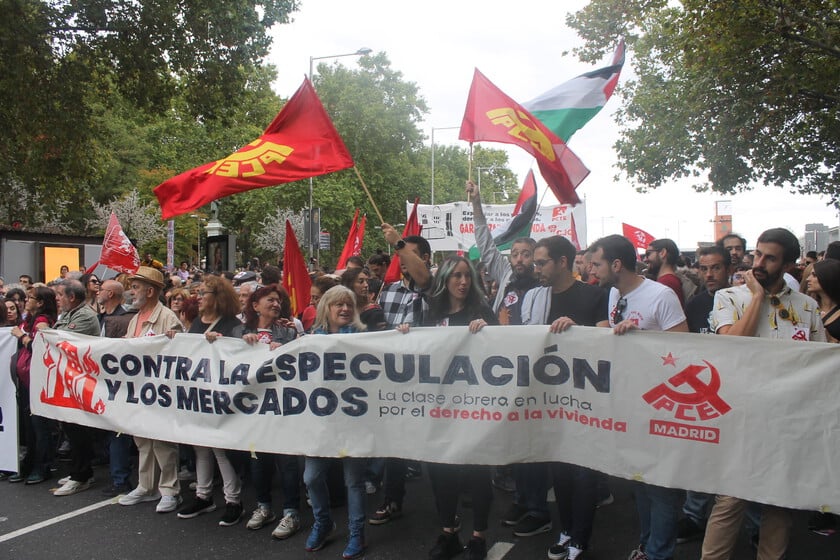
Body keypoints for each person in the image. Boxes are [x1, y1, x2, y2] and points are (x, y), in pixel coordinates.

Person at [700, 228, 825, 560]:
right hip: (741, 417)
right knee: (730, 500)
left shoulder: (808, 307)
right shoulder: (730, 297)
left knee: (780, 506)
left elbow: (819, 364)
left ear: (788, 263)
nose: (759, 263)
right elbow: (731, 345)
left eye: (770, 258)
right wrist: (757, 297)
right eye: (757, 254)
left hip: (788, 421)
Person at [588, 235, 688, 560]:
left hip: (660, 407)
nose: (591, 269)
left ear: (616, 265)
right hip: (630, 405)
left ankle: (659, 553)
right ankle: (647, 547)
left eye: (597, 263)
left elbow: (685, 351)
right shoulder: (614, 293)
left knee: (662, 489)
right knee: (640, 482)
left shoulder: (662, 296)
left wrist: (641, 340)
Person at [397, 256, 497, 560]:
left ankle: (479, 537)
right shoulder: (433, 313)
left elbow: (505, 354)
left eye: (467, 276)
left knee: (477, 472)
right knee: (440, 473)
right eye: (456, 276)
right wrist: (406, 335)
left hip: (475, 409)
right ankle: (448, 533)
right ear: (445, 281)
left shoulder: (482, 312)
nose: (463, 282)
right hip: (440, 410)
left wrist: (490, 333)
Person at [517, 236, 608, 560]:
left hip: (584, 401)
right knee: (561, 472)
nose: (535, 267)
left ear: (563, 262)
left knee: (584, 473)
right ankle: (566, 530)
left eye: (542, 262)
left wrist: (578, 331)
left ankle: (581, 540)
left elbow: (604, 342)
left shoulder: (595, 295)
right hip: (550, 400)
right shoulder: (535, 299)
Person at [369, 226, 433, 527]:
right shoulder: (389, 290)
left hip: (428, 379)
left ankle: (448, 500)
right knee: (393, 441)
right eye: (401, 255)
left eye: (410, 254)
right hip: (394, 378)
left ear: (425, 259)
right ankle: (392, 499)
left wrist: (398, 242)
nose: (403, 260)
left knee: (434, 439)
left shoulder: (435, 290)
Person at [303, 285, 368, 559]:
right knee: (311, 477)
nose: (344, 309)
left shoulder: (365, 338)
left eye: (349, 304)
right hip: (322, 422)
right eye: (338, 304)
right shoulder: (309, 339)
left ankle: (357, 533)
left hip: (354, 421)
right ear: (326, 308)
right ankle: (323, 522)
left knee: (353, 481)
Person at [234, 284, 302, 540]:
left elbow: (301, 361)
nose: (276, 304)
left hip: (282, 407)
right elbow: (222, 358)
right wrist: (239, 344)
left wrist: (283, 350)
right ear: (255, 305)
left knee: (287, 462)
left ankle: (291, 512)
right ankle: (264, 507)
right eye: (270, 300)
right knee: (259, 463)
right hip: (252, 411)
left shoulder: (289, 331)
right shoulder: (238, 331)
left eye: (279, 300)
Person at [176, 275, 245, 526]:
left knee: (220, 448)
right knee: (200, 446)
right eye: (199, 292)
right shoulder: (196, 323)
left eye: (204, 293)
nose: (199, 298)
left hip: (220, 396)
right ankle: (203, 496)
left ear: (218, 298)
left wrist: (222, 343)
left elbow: (240, 355)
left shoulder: (231, 325)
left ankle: (233, 500)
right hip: (198, 394)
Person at [117, 267, 184, 512]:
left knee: (162, 441)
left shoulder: (167, 317)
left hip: (160, 391)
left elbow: (178, 351)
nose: (131, 291)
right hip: (140, 389)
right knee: (142, 439)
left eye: (135, 287)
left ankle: (170, 490)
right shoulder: (136, 318)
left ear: (150, 290)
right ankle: (146, 486)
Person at [52, 279, 102, 496]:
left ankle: (82, 475)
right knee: (69, 427)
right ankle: (77, 470)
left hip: (80, 381)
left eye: (60, 295)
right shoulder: (69, 314)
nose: (57, 299)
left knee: (78, 429)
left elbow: (63, 339)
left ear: (72, 297)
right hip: (67, 379)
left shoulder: (85, 315)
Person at [9, 287, 58, 484]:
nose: (26, 300)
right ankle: (28, 464)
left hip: (38, 380)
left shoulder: (42, 321)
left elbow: (40, 346)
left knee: (40, 427)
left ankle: (42, 467)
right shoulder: (28, 319)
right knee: (29, 427)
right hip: (25, 381)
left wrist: (21, 336)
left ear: (40, 303)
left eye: (30, 298)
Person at [341, 267, 386, 331]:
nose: (366, 285)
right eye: (361, 281)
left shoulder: (374, 313)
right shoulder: (341, 309)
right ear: (349, 284)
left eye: (367, 281)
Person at [644, 238, 686, 307]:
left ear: (662, 253)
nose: (645, 259)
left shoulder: (666, 282)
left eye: (648, 254)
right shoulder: (669, 280)